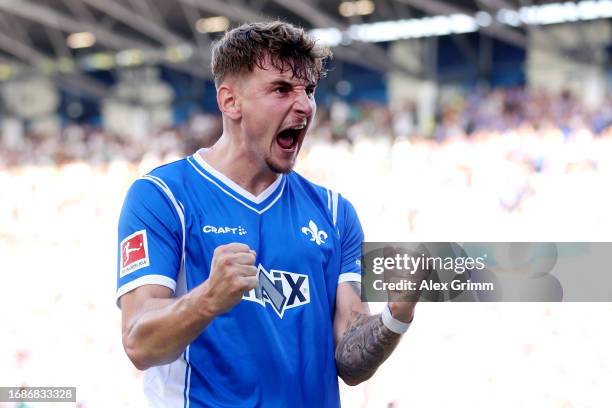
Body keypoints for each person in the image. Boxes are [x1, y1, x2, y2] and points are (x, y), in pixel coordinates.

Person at [116, 21, 419, 407]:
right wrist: (209, 297)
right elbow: (139, 343)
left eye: (309, 90)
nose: (305, 105)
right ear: (230, 102)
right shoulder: (163, 197)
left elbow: (350, 361)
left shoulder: (335, 213)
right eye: (281, 89)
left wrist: (396, 315)